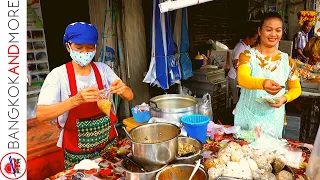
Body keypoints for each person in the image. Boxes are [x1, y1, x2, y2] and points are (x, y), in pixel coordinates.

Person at [35, 22, 134, 169]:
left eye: (90, 47)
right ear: (68, 47)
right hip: (76, 151)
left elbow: (129, 96)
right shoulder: (58, 76)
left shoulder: (103, 70)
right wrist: (75, 100)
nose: (84, 52)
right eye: (79, 48)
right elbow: (41, 115)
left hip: (109, 144)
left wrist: (123, 89)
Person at [235, 12, 302, 138]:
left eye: (278, 30)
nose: (273, 34)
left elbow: (296, 88)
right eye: (269, 29)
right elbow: (242, 79)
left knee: (269, 155)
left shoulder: (287, 61)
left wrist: (284, 98)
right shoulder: (247, 56)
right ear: (260, 31)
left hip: (273, 119)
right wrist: (263, 83)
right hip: (247, 117)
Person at [228, 27, 258, 106]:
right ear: (248, 38)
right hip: (234, 77)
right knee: (236, 98)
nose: (255, 41)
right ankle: (233, 115)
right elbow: (236, 63)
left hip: (240, 77)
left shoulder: (247, 46)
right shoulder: (240, 47)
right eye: (254, 39)